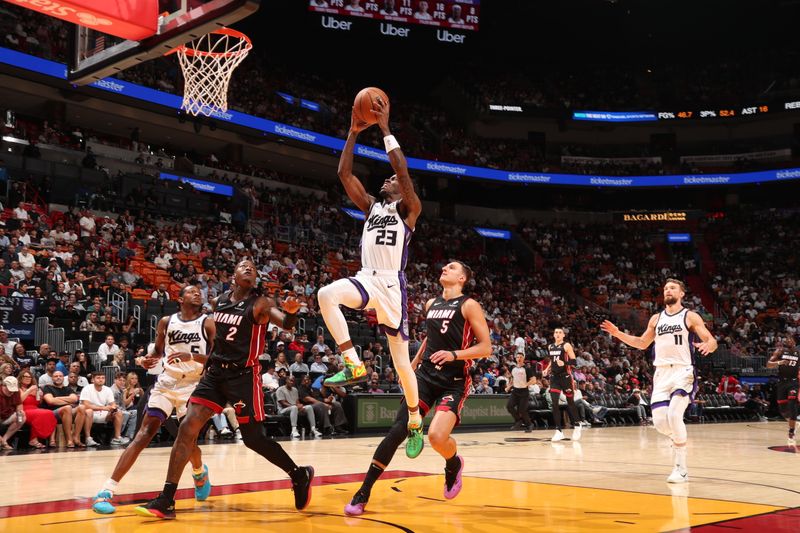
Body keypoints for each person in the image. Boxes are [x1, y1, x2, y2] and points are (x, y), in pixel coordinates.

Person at [135, 260, 313, 519]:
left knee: (253, 439)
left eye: (253, 267)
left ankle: (298, 474)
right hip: (216, 372)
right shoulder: (219, 302)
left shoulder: (260, 303)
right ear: (234, 274)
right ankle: (167, 499)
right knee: (187, 428)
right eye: (244, 265)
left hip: (243, 376)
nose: (249, 268)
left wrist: (293, 311)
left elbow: (286, 323)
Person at [319, 97, 424, 456]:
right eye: (388, 176)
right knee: (326, 294)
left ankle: (413, 420)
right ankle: (352, 363)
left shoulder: (409, 208)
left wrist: (384, 129)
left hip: (393, 285)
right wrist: (351, 132)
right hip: (367, 277)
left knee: (401, 365)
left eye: (392, 178)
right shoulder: (370, 207)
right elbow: (343, 175)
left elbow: (404, 173)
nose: (389, 178)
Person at [344, 260, 490, 515]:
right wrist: (412, 364)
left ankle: (453, 463)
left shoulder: (469, 305)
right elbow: (430, 339)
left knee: (435, 437)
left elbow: (486, 347)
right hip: (425, 377)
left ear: (462, 279)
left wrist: (454, 354)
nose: (445, 268)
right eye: (444, 266)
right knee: (397, 431)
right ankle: (363, 492)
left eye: (452, 267)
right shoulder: (431, 304)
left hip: (453, 381)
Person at [92, 285, 214, 514]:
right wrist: (148, 359)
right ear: (180, 298)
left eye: (200, 291)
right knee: (144, 434)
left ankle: (199, 472)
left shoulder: (207, 322)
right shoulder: (166, 322)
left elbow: (217, 358)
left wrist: (192, 356)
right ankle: (106, 491)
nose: (197, 293)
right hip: (167, 382)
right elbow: (158, 351)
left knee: (188, 441)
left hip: (193, 385)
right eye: (192, 291)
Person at [601, 278, 717, 483]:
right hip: (661, 374)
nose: (668, 291)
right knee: (661, 424)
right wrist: (618, 333)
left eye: (672, 288)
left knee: (674, 414)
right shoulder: (656, 318)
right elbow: (642, 343)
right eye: (665, 288)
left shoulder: (690, 316)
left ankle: (681, 468)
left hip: (683, 371)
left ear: (682, 293)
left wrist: (709, 345)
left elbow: (711, 339)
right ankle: (678, 439)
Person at [543, 328, 581, 442]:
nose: (558, 334)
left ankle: (578, 425)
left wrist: (564, 363)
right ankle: (558, 430)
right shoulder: (550, 347)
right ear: (554, 335)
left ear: (563, 335)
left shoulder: (567, 346)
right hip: (554, 378)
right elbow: (552, 360)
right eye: (556, 332)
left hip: (565, 377)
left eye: (560, 332)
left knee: (570, 402)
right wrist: (547, 369)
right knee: (554, 403)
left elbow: (574, 362)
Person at [80, 372, 129, 447]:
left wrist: (113, 408)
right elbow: (85, 405)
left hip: (103, 414)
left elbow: (112, 403)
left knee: (118, 412)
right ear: (93, 379)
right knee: (89, 411)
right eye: (98, 378)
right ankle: (88, 438)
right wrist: (103, 408)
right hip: (90, 414)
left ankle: (117, 438)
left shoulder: (107, 389)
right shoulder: (87, 388)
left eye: (103, 378)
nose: (101, 380)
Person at [766, 336, 798, 445]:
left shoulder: (798, 352)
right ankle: (792, 423)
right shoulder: (780, 351)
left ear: (794, 341)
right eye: (786, 340)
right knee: (783, 410)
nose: (788, 341)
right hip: (782, 382)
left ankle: (791, 432)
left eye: (790, 339)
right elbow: (768, 365)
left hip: (793, 382)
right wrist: (779, 362)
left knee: (792, 405)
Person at [41, 370, 86, 448]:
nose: (58, 378)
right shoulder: (47, 387)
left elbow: (74, 399)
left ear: (63, 378)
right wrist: (67, 400)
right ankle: (69, 439)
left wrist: (57, 399)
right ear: (52, 378)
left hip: (67, 411)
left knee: (82, 407)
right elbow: (50, 401)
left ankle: (75, 436)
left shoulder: (67, 389)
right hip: (53, 413)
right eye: (56, 376)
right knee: (67, 407)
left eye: (60, 376)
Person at [17, 369, 57, 448]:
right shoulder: (18, 389)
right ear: (21, 378)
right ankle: (33, 439)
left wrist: (41, 397)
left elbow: (38, 403)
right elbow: (19, 400)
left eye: (30, 377)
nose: (28, 378)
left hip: (34, 409)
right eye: (25, 376)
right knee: (40, 414)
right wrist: (29, 390)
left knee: (50, 413)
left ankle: (52, 440)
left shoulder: (34, 389)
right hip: (23, 410)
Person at [506, 353, 535, 432]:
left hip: (524, 392)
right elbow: (512, 379)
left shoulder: (527, 368)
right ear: (515, 358)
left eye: (520, 357)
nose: (519, 358)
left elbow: (533, 380)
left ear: (523, 358)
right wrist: (508, 387)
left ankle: (529, 424)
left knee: (522, 410)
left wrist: (526, 384)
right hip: (515, 391)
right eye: (517, 357)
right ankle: (518, 421)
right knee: (509, 406)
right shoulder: (513, 368)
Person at [0, 376, 24, 450]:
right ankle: (2, 442)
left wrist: (19, 414)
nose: (12, 392)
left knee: (22, 416)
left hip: (7, 416)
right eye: (10, 390)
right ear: (3, 386)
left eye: (13, 390)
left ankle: (4, 440)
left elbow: (19, 405)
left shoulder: (16, 392)